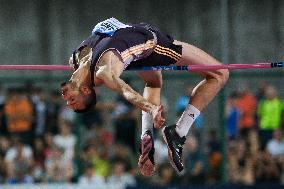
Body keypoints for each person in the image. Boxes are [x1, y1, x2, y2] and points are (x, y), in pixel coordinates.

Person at [61, 18, 229, 176]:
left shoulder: (76, 58)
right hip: (153, 46)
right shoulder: (104, 71)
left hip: (135, 50)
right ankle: (179, 133)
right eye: (73, 101)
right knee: (220, 73)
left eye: (69, 101)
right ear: (85, 90)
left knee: (154, 84)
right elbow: (127, 91)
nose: (66, 99)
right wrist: (152, 108)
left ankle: (146, 136)